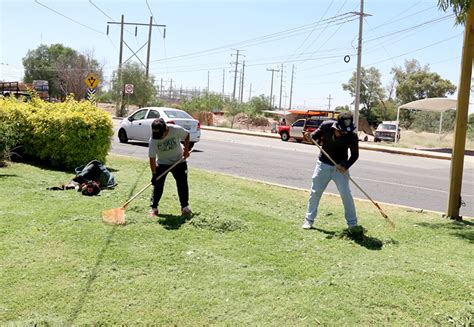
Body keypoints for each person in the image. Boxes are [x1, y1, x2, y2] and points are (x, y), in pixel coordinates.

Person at [302, 112, 359, 230]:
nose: (345, 133)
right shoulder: (326, 126)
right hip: (323, 165)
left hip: (340, 169)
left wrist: (345, 165)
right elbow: (313, 137)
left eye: (347, 131)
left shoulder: (352, 136)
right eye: (342, 130)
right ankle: (309, 220)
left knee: (346, 194)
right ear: (335, 127)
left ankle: (352, 224)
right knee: (315, 192)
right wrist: (309, 137)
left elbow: (354, 155)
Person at [149, 118, 192, 217]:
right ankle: (154, 208)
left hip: (179, 161)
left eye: (161, 135)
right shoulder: (153, 139)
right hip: (162, 163)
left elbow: (187, 135)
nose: (159, 138)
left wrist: (186, 150)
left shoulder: (175, 130)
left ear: (166, 129)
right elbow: (152, 158)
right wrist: (154, 174)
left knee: (182, 184)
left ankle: (185, 207)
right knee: (158, 185)